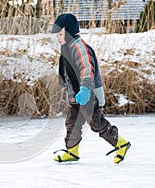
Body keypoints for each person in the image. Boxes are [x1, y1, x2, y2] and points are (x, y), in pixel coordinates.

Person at [51, 13, 131, 164]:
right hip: (77, 95)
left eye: (60, 34)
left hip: (89, 94)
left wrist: (86, 90)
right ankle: (72, 151)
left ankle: (121, 144)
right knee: (72, 122)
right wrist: (63, 82)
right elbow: (66, 69)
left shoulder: (79, 47)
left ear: (69, 32)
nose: (58, 37)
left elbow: (86, 69)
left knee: (96, 123)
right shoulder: (66, 48)